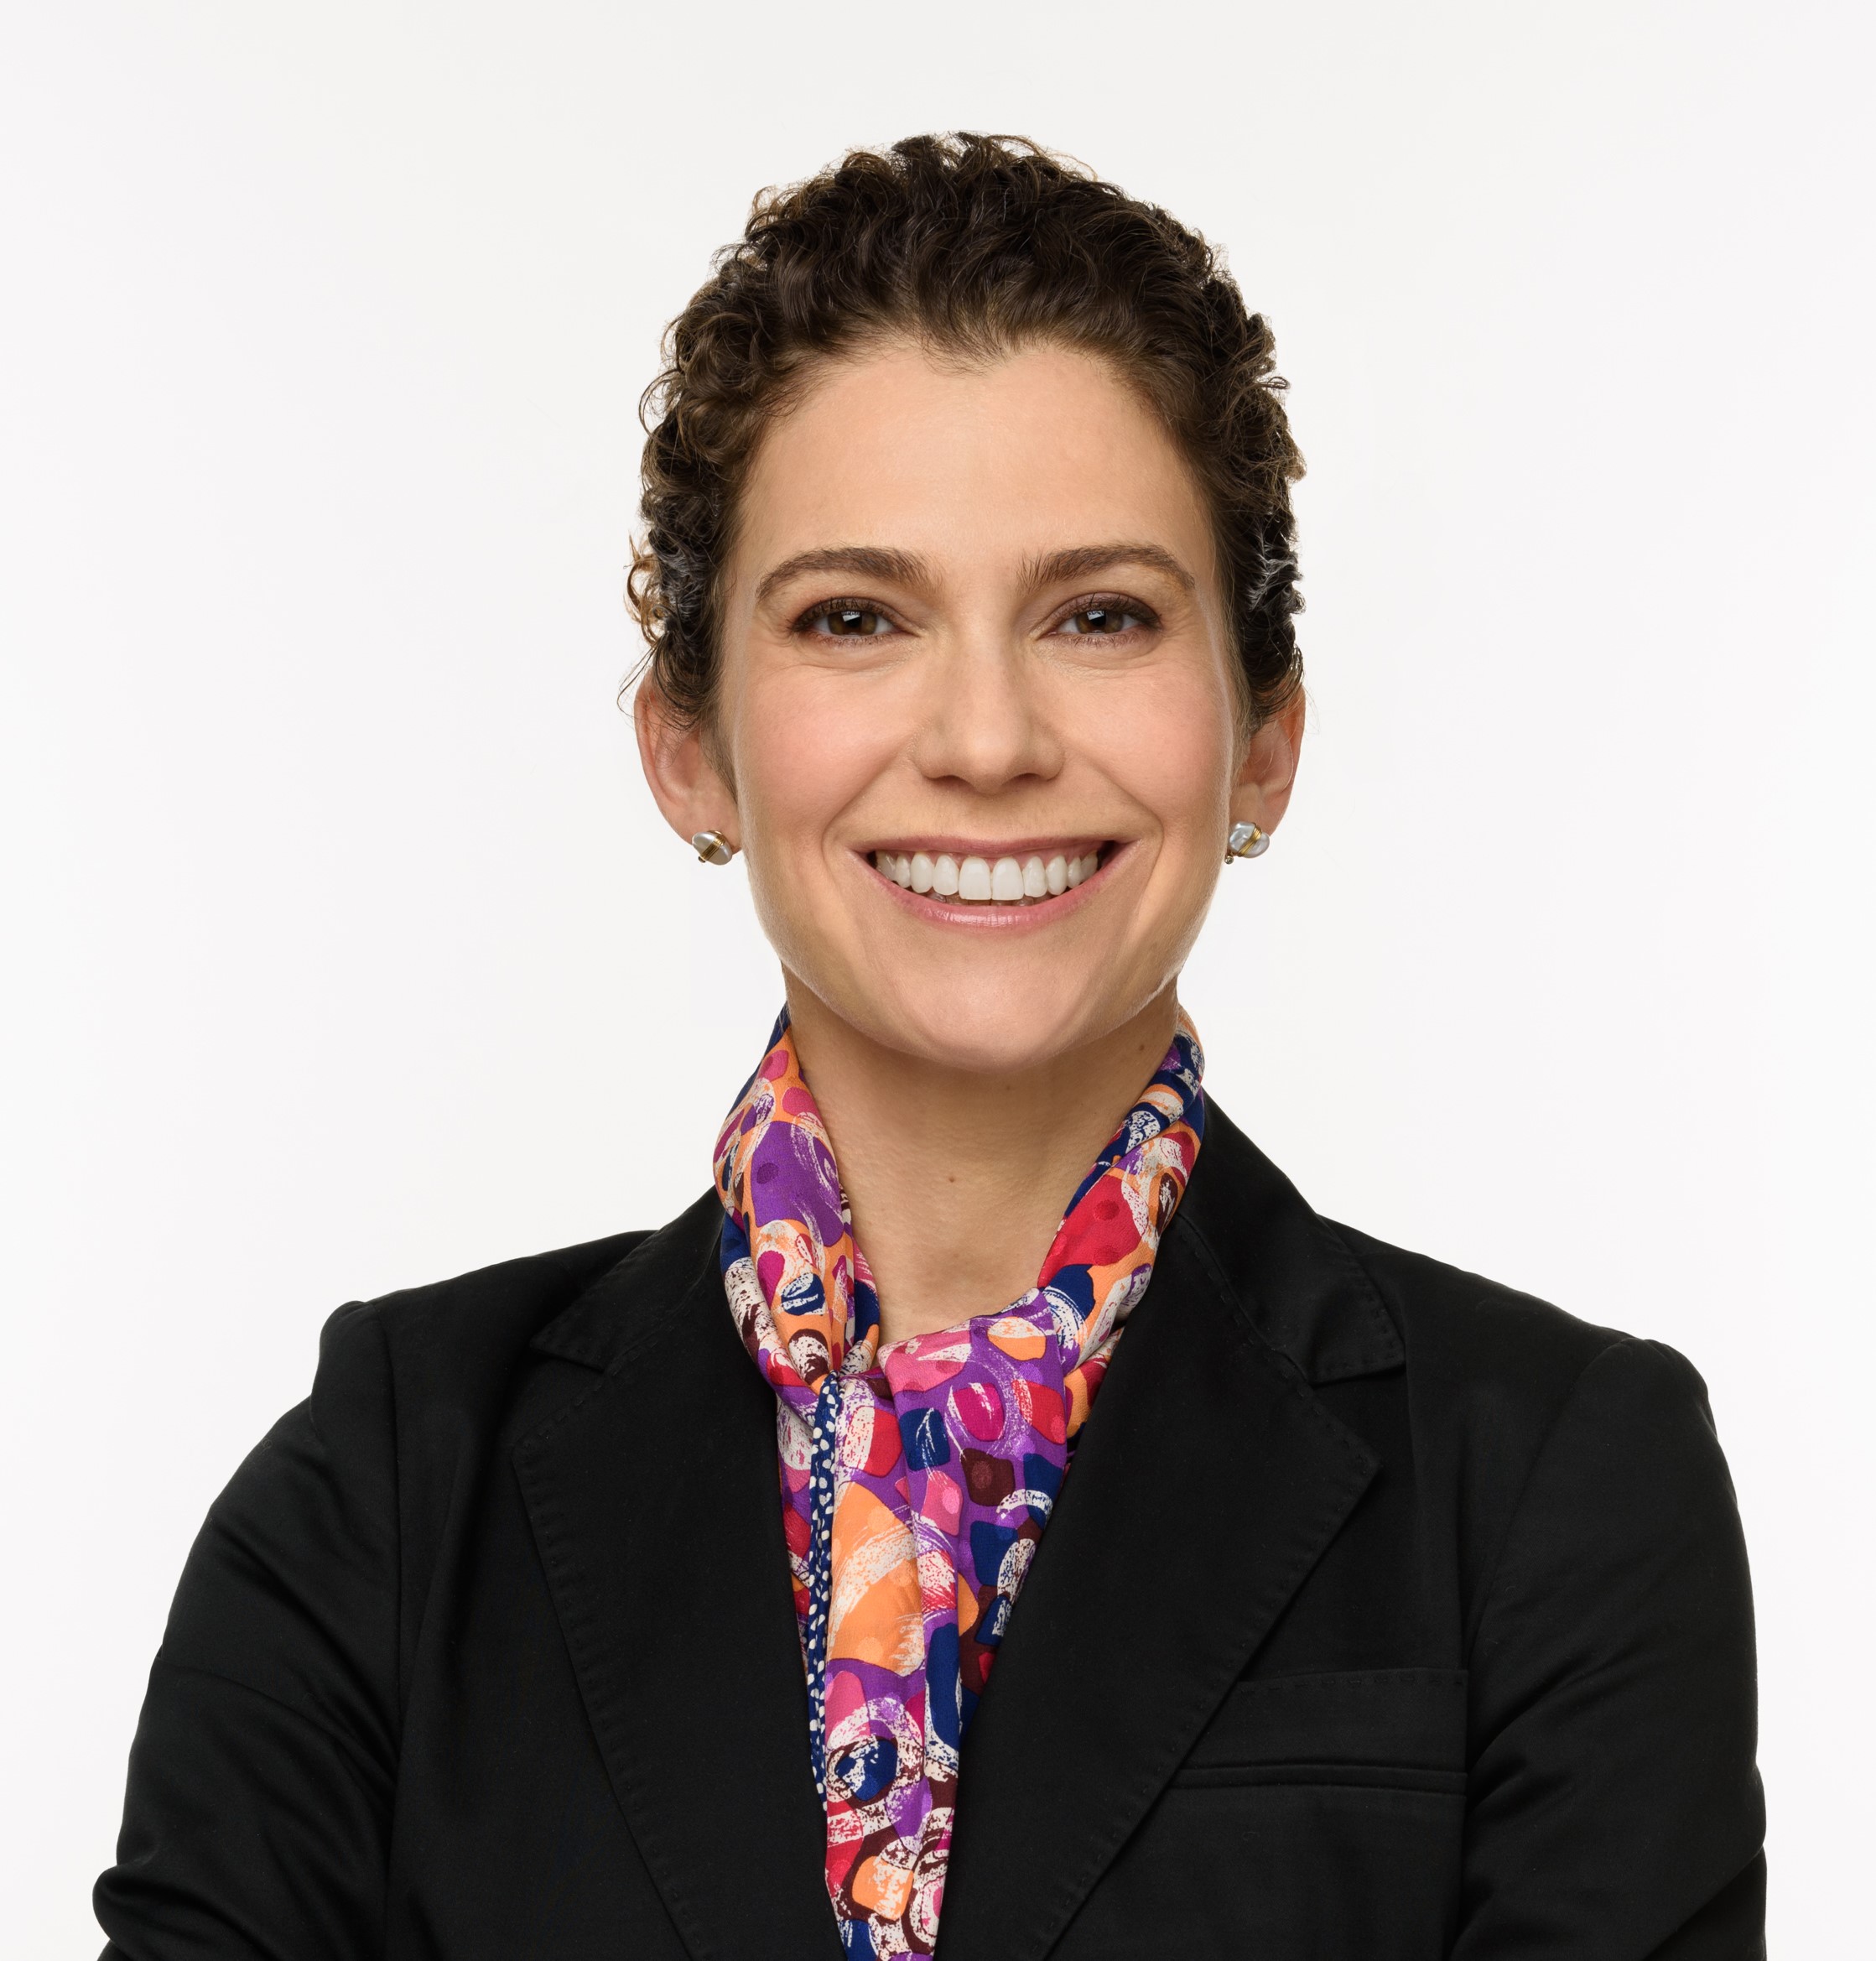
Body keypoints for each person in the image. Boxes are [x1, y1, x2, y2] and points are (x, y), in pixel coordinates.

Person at [96, 133, 1764, 1960]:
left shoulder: (1554, 1485)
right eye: (854, 618)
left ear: (1265, 739)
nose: (984, 737)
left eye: (1101, 615)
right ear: (689, 747)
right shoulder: (394, 1485)